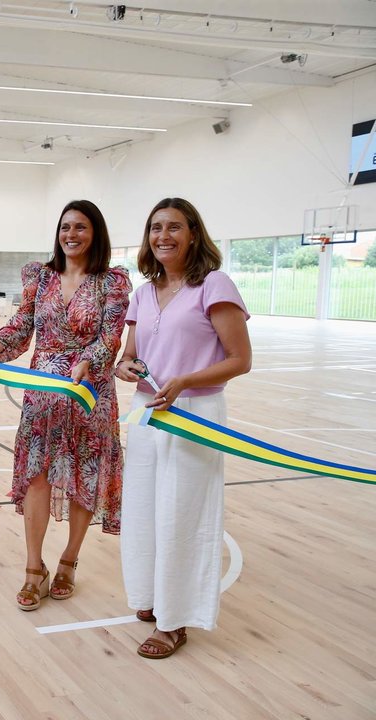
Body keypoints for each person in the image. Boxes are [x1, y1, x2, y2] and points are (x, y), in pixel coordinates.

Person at [0, 200, 131, 609]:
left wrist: (87, 363)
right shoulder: (40, 277)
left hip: (88, 393)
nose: (71, 235)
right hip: (43, 394)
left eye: (80, 227)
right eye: (65, 227)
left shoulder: (112, 283)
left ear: (96, 233)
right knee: (37, 476)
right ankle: (33, 567)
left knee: (84, 476)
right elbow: (23, 325)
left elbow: (111, 339)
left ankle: (69, 560)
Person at [114, 198, 252, 660]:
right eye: (156, 228)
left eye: (174, 227)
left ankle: (175, 622)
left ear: (194, 233)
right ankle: (153, 599)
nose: (163, 236)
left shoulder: (214, 284)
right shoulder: (143, 291)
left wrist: (185, 381)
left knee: (181, 517)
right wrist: (126, 368)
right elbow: (128, 356)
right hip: (148, 414)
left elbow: (240, 360)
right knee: (145, 511)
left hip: (195, 416)